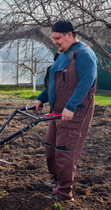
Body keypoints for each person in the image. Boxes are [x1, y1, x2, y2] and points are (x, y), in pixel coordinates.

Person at [33, 20, 97, 201]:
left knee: (64, 151)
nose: (55, 42)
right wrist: (41, 98)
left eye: (58, 38)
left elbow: (87, 81)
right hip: (57, 111)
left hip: (73, 112)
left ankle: (63, 192)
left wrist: (71, 106)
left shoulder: (84, 54)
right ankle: (57, 182)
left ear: (70, 34)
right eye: (53, 38)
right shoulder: (62, 54)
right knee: (51, 148)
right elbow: (54, 80)